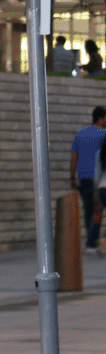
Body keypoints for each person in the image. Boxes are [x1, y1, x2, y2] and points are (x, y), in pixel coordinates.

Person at [71, 106, 106, 254]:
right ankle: (96, 242)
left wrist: (72, 176)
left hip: (84, 178)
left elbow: (74, 157)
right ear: (101, 118)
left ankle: (91, 243)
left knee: (90, 209)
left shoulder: (80, 134)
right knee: (97, 210)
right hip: (98, 179)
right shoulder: (104, 134)